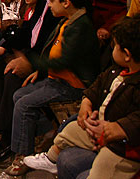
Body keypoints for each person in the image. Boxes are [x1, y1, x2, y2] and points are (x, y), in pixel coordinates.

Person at [25, 15, 140, 177]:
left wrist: (119, 128)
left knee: (103, 167)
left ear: (127, 54)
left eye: (115, 46)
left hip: (121, 146)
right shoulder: (115, 70)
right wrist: (87, 103)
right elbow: (96, 87)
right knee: (71, 129)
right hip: (99, 126)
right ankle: (51, 158)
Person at [6, 0, 100, 176]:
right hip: (56, 78)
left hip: (71, 84)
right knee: (19, 96)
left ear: (66, 3)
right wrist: (38, 70)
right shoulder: (67, 22)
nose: (49, 5)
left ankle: (22, 155)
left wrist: (32, 63)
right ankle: (38, 138)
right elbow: (50, 54)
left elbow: (63, 61)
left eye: (52, 1)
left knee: (24, 104)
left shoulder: (80, 26)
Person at [0, 0, 66, 166]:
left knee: (12, 73)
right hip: (32, 51)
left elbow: (53, 40)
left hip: (46, 61)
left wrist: (30, 61)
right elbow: (29, 28)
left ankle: (9, 138)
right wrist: (5, 46)